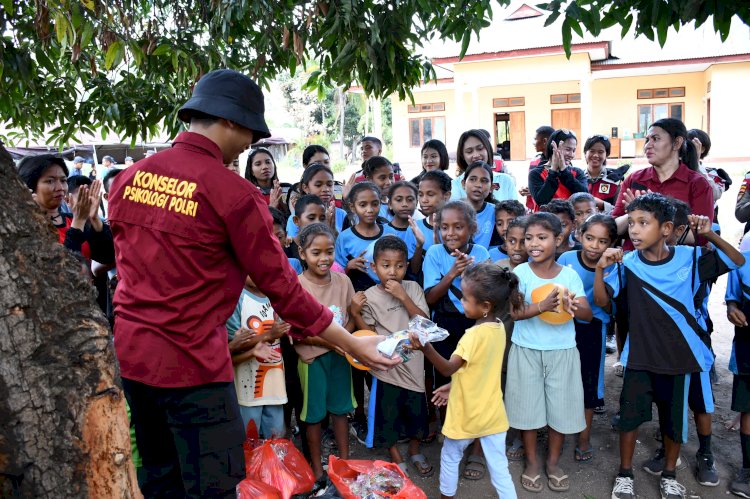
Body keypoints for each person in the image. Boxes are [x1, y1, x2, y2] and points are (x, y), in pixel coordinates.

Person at [106, 69, 397, 497]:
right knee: (215, 484)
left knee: (159, 474)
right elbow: (283, 288)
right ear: (230, 121)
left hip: (133, 359)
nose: (250, 145)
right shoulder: (234, 194)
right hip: (194, 366)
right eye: (250, 134)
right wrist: (353, 344)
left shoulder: (131, 178)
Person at [594, 193, 743, 499]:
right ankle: (625, 475)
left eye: (643, 223)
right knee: (630, 419)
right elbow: (602, 302)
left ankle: (670, 475)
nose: (633, 230)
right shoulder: (626, 264)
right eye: (631, 223)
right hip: (639, 359)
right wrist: (599, 269)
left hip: (679, 359)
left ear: (665, 229)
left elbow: (736, 260)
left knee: (674, 424)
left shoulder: (690, 259)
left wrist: (709, 234)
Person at [412, 262, 519, 499]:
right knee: (499, 468)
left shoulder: (471, 336)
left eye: (465, 299)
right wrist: (454, 385)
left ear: (485, 306)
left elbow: (449, 368)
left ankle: (446, 496)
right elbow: (479, 370)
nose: (461, 302)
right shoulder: (499, 327)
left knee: (450, 456)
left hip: (468, 413)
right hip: (492, 412)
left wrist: (425, 347)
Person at [506, 212, 592, 493]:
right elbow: (515, 313)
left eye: (541, 237)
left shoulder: (569, 275)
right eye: (529, 238)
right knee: (527, 410)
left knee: (561, 410)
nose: (533, 244)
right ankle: (532, 462)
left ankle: (553, 462)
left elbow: (588, 316)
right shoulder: (520, 273)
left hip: (562, 352)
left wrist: (571, 304)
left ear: (559, 239)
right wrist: (542, 307)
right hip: (527, 350)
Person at [349, 236, 433, 477]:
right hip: (387, 368)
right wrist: (355, 313)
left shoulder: (413, 288)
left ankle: (415, 451)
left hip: (415, 366)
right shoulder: (369, 296)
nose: (393, 272)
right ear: (374, 267)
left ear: (407, 266)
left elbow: (424, 324)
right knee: (389, 415)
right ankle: (396, 455)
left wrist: (402, 297)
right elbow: (370, 335)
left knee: (417, 413)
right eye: (386, 266)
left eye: (399, 265)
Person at [423, 200, 490, 479]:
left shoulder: (482, 253)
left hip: (474, 326)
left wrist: (468, 274)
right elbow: (429, 298)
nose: (450, 233)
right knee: (444, 384)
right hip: (444, 328)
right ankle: (449, 433)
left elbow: (487, 298)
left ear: (472, 229)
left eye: (458, 227)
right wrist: (452, 272)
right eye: (444, 227)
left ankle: (476, 448)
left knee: (476, 384)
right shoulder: (435, 253)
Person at [295, 223, 357, 479]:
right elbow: (299, 331)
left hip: (340, 357)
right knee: (314, 416)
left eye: (329, 252)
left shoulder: (343, 280)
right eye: (316, 253)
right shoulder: (297, 286)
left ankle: (344, 463)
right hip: (312, 359)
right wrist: (333, 342)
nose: (324, 258)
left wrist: (342, 341)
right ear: (302, 253)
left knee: (341, 410)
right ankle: (317, 469)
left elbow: (351, 318)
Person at [558, 214, 617, 464]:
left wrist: (601, 268)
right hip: (562, 326)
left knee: (589, 386)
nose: (594, 246)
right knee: (559, 381)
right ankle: (557, 434)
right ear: (579, 235)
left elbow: (603, 302)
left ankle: (583, 438)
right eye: (590, 238)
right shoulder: (566, 259)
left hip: (593, 329)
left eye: (602, 241)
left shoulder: (613, 265)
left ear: (611, 243)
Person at [611, 118, 713, 248]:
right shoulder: (634, 179)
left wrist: (648, 213)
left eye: (656, 139)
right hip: (634, 261)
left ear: (677, 143)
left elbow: (700, 235)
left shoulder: (698, 184)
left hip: (677, 263)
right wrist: (633, 213)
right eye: (647, 140)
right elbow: (614, 228)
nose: (648, 145)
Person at [17, 154, 114, 265]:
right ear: (30, 186)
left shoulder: (71, 219)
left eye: (63, 180)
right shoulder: (25, 227)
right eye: (50, 181)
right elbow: (64, 267)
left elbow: (108, 257)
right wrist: (78, 223)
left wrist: (95, 219)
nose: (60, 188)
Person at [226, 275, 289, 438]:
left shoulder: (275, 295)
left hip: (275, 383)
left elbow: (283, 328)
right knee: (249, 442)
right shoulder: (237, 298)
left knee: (276, 440)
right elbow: (233, 344)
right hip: (248, 389)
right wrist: (268, 335)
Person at [725, 252, 750, 497]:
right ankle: (748, 469)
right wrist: (733, 308)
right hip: (747, 349)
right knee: (749, 408)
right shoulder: (742, 262)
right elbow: (732, 300)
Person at [528, 129, 588, 209]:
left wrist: (564, 171)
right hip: (546, 221)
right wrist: (553, 172)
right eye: (568, 149)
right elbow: (542, 201)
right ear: (553, 147)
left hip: (570, 221)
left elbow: (584, 197)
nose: (571, 155)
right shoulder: (536, 173)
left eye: (573, 150)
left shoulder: (577, 172)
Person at [453, 129, 516, 202]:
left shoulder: (506, 181)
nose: (476, 155)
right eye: (469, 151)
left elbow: (516, 212)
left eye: (480, 148)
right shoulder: (455, 185)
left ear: (488, 149)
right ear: (462, 156)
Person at [287, 163, 348, 238]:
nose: (326, 189)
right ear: (305, 188)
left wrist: (333, 231)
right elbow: (295, 245)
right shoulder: (296, 217)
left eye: (329, 184)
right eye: (318, 185)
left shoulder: (342, 214)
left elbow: (346, 244)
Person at [383, 181, 425, 276]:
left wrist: (419, 245)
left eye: (410, 200)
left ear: (416, 202)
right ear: (389, 204)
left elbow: (415, 271)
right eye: (399, 200)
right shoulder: (382, 231)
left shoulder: (422, 229)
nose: (405, 204)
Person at [583, 135, 629, 212]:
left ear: (606, 155)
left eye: (600, 152)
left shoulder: (614, 180)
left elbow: (620, 211)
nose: (595, 155)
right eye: (592, 151)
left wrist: (603, 205)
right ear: (585, 153)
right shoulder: (577, 177)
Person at [461, 161, 497, 249]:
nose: (478, 185)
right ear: (463, 184)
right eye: (472, 179)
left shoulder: (495, 212)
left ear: (491, 188)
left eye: (484, 181)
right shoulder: (453, 211)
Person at [416, 170, 452, 257]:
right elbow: (413, 269)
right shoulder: (415, 228)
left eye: (430, 194)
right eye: (420, 194)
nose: (424, 200)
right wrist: (419, 246)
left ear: (446, 196)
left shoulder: (457, 228)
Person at [521, 125, 555, 212]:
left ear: (544, 141)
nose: (533, 142)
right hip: (536, 209)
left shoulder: (561, 163)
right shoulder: (534, 161)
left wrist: (535, 190)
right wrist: (528, 190)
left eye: (535, 139)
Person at [245, 147, 284, 212]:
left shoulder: (287, 189)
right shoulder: (248, 196)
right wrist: (272, 207)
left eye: (268, 162)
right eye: (258, 164)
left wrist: (282, 203)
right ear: (251, 171)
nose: (265, 167)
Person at [361, 156, 395, 221]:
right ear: (369, 180)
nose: (389, 182)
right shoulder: (367, 208)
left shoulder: (397, 202)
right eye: (382, 178)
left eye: (391, 176)